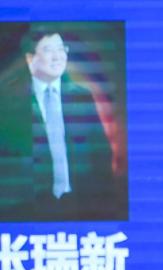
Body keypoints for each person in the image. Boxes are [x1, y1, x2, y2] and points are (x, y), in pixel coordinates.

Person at [0, 28, 122, 222]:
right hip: (26, 208)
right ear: (30, 59)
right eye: (48, 50)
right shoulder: (9, 104)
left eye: (61, 48)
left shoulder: (81, 96)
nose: (58, 56)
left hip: (80, 204)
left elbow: (100, 153)